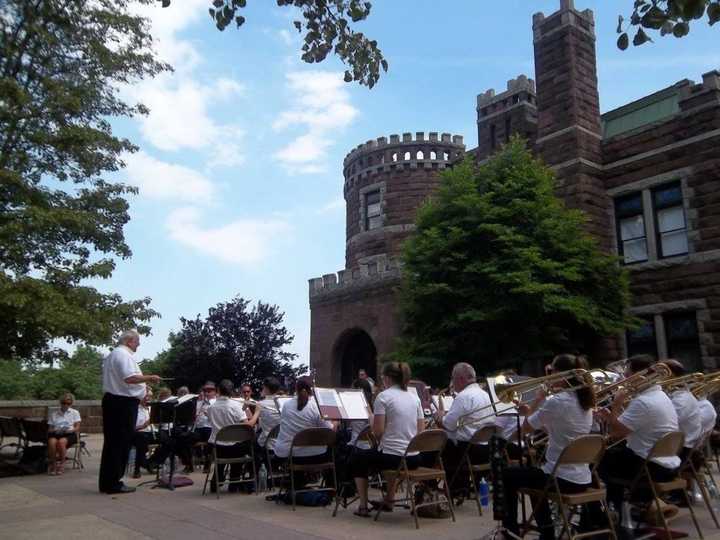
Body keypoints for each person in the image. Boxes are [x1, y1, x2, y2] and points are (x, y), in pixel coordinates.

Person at [502, 354, 600, 540]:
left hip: (560, 478)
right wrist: (534, 410)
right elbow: (559, 427)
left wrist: (537, 401)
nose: (549, 375)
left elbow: (524, 430)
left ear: (561, 375)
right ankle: (545, 529)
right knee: (533, 474)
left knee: (509, 475)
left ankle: (511, 530)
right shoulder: (585, 401)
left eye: (552, 372)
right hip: (582, 477)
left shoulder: (558, 401)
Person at [597, 355, 681, 513]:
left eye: (627, 375)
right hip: (667, 464)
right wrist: (610, 417)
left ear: (639, 376)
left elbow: (616, 433)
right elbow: (626, 426)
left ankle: (618, 512)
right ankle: (628, 507)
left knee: (601, 458)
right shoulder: (661, 396)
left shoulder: (643, 402)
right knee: (614, 454)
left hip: (649, 468)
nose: (625, 380)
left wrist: (616, 405)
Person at [351, 362, 424, 518]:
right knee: (389, 452)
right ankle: (389, 499)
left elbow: (377, 433)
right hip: (414, 458)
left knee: (358, 457)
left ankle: (363, 506)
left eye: (382, 377)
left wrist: (371, 418)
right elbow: (421, 432)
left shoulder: (383, 397)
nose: (382, 380)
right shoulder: (414, 398)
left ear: (388, 378)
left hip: (394, 459)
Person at [99, 329, 160, 494]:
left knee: (113, 443)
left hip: (116, 401)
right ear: (129, 341)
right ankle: (113, 483)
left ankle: (108, 481)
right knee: (120, 443)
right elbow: (129, 378)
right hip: (122, 404)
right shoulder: (122, 354)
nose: (139, 344)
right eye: (137, 341)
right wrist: (149, 378)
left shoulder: (114, 354)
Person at [433, 362, 494, 496]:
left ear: (461, 379)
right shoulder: (484, 394)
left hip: (467, 452)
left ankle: (438, 489)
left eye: (453, 379)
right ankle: (460, 486)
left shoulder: (464, 396)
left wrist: (439, 416)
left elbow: (447, 425)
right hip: (484, 449)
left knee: (432, 449)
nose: (452, 383)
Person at [273, 377, 335, 489]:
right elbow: (329, 431)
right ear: (312, 390)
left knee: (298, 447)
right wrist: (336, 421)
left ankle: (296, 486)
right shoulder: (317, 407)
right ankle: (331, 487)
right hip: (314, 455)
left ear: (296, 389)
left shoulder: (286, 406)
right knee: (335, 449)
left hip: (289, 454)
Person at [207, 379, 254, 493]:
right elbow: (248, 426)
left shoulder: (211, 407)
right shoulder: (236, 406)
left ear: (218, 390)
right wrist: (256, 412)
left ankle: (217, 478)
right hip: (234, 449)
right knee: (247, 444)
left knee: (227, 446)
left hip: (217, 448)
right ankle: (234, 480)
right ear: (232, 391)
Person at [664, 359, 702, 461]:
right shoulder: (681, 396)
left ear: (669, 375)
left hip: (678, 451)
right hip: (679, 447)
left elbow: (668, 425)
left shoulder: (681, 400)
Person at [47, 393, 81, 476]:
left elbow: (77, 427)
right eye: (64, 403)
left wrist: (71, 430)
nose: (66, 405)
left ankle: (62, 464)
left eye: (68, 403)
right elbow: (50, 428)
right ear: (61, 403)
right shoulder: (54, 414)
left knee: (61, 442)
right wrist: (55, 430)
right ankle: (53, 463)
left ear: (71, 404)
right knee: (51, 442)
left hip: (70, 433)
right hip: (56, 433)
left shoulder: (75, 412)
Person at [131, 389, 156, 478]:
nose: (147, 399)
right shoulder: (135, 409)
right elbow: (130, 428)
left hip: (151, 432)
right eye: (145, 396)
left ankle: (150, 463)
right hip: (138, 433)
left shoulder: (151, 408)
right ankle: (137, 469)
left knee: (169, 440)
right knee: (142, 440)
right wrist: (143, 425)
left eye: (149, 396)